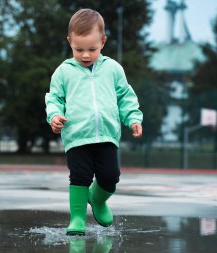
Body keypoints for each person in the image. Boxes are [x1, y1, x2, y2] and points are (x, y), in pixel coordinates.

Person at [45, 8, 143, 236]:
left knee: (110, 177)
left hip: (107, 135)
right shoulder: (63, 72)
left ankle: (97, 200)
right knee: (79, 177)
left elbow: (125, 97)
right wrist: (55, 116)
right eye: (79, 49)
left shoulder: (113, 69)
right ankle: (77, 218)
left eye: (92, 49)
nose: (86, 55)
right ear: (70, 42)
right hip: (76, 136)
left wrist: (133, 118)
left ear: (103, 42)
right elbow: (54, 98)